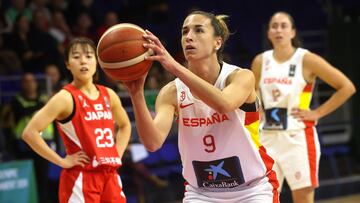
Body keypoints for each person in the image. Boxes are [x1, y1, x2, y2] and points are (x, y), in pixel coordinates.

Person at [124, 10, 279, 202]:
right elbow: (153, 143)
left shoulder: (240, 77)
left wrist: (174, 67)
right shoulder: (171, 92)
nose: (189, 37)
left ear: (218, 42)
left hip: (252, 189)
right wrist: (136, 94)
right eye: (184, 32)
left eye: (198, 31)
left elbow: (224, 104)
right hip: (202, 193)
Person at [250, 11, 356, 203]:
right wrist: (259, 112)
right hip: (267, 137)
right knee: (264, 197)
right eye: (274, 26)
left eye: (283, 25)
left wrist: (317, 113)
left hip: (297, 137)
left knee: (303, 199)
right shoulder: (260, 61)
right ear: (268, 33)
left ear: (293, 32)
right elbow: (252, 94)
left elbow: (347, 87)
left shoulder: (306, 59)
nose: (278, 29)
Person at [22, 37, 131, 203]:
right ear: (67, 64)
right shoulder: (64, 98)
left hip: (110, 176)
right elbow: (29, 133)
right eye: (76, 56)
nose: (83, 61)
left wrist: (117, 154)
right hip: (81, 178)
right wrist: (61, 161)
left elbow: (125, 125)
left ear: (96, 61)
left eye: (88, 56)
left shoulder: (109, 95)